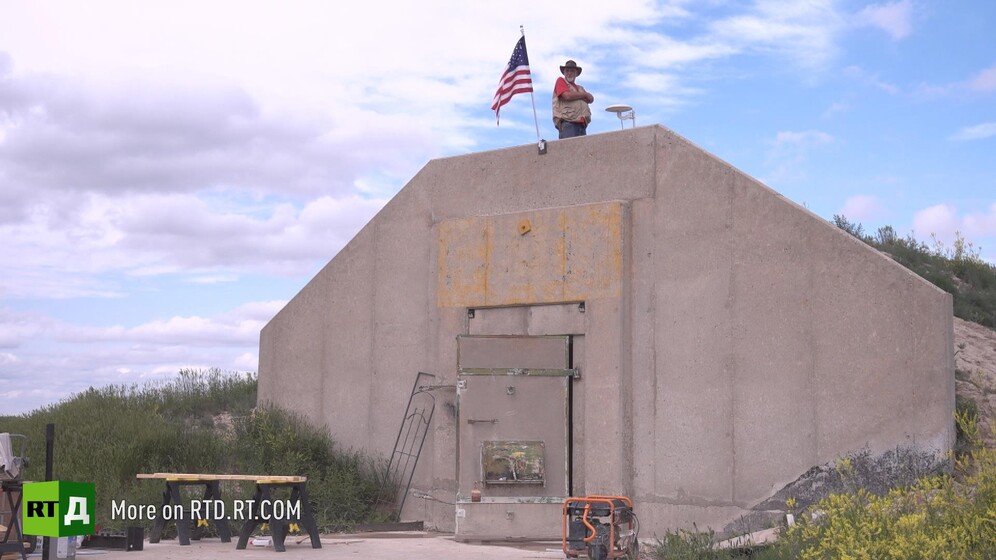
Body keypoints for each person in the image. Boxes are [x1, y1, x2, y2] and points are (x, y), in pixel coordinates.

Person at [552, 60, 594, 139]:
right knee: (570, 149)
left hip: (582, 126)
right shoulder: (560, 81)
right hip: (568, 124)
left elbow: (590, 99)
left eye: (572, 71)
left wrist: (581, 95)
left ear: (576, 73)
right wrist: (584, 95)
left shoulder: (579, 88)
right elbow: (567, 96)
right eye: (567, 71)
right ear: (564, 73)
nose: (569, 73)